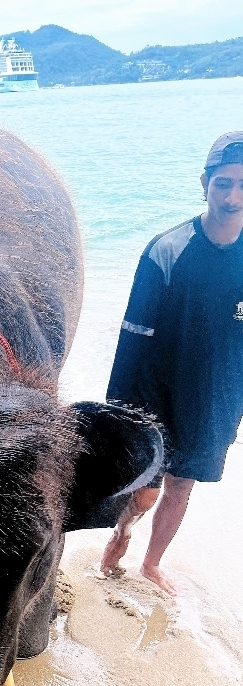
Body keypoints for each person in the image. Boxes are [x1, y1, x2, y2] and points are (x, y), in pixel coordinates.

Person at [100, 131, 243, 596]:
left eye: (242, 184)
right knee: (145, 490)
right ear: (204, 183)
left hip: (217, 398)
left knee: (183, 488)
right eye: (223, 183)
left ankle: (152, 564)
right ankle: (119, 537)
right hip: (155, 393)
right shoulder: (167, 249)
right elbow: (132, 340)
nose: (233, 196)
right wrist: (115, 416)